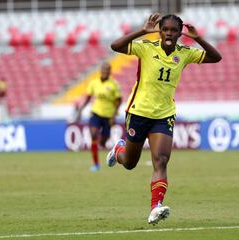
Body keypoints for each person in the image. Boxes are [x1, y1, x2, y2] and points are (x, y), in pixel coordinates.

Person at [106, 13, 222, 224]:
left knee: (161, 160)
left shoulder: (185, 53)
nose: (169, 33)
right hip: (138, 111)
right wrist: (143, 31)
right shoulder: (146, 47)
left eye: (173, 30)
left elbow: (216, 57)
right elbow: (115, 46)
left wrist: (198, 39)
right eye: (165, 29)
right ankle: (119, 150)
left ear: (179, 33)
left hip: (164, 114)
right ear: (159, 31)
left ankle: (155, 207)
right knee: (130, 163)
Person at [77, 62, 122, 172]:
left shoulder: (114, 84)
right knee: (93, 135)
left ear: (110, 72)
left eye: (108, 70)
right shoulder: (94, 83)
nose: (106, 71)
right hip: (96, 113)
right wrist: (80, 109)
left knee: (102, 142)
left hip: (108, 116)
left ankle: (111, 153)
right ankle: (96, 164)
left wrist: (114, 115)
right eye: (104, 69)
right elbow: (88, 97)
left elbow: (118, 100)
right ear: (101, 70)